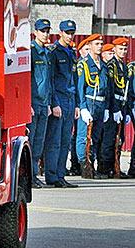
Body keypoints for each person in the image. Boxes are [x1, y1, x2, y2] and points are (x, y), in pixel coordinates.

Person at [43, 20, 79, 188]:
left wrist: (78, 104)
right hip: (59, 99)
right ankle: (51, 176)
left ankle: (60, 175)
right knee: (54, 140)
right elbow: (50, 80)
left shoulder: (71, 52)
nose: (70, 36)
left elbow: (75, 79)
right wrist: (54, 103)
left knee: (65, 140)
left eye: (72, 33)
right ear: (60, 33)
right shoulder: (54, 52)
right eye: (67, 33)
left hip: (70, 100)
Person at [76, 34, 110, 179]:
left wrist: (107, 107)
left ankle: (92, 163)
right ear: (89, 45)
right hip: (90, 102)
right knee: (84, 137)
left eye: (101, 44)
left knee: (96, 137)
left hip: (101, 104)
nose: (100, 46)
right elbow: (80, 88)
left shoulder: (103, 65)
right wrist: (82, 107)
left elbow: (108, 88)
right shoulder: (83, 64)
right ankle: (84, 166)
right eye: (97, 43)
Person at [100, 37, 130, 178]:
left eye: (125, 49)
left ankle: (115, 166)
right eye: (120, 49)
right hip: (113, 106)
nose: (123, 51)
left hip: (122, 106)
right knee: (109, 138)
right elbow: (110, 89)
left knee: (120, 138)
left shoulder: (123, 66)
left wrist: (127, 110)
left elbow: (126, 89)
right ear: (114, 49)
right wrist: (113, 108)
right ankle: (105, 168)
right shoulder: (111, 65)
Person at [28, 19, 52, 188]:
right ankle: (29, 176)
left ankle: (35, 175)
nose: (45, 34)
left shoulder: (47, 53)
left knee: (39, 141)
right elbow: (26, 79)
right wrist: (27, 103)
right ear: (35, 32)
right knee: (31, 139)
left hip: (44, 103)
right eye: (42, 31)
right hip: (34, 103)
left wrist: (49, 103)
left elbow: (49, 81)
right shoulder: (31, 52)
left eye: (47, 31)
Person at [68, 38, 91, 176]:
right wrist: (81, 105)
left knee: (79, 135)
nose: (88, 52)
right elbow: (79, 87)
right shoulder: (80, 65)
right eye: (86, 49)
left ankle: (77, 165)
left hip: (76, 103)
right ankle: (76, 166)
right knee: (77, 136)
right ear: (80, 51)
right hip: (72, 102)